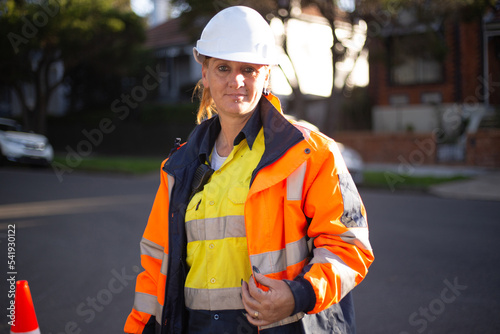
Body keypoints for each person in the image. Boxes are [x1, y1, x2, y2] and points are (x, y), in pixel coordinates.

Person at [124, 6, 373, 334]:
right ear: (205, 74)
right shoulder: (178, 166)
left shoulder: (310, 153)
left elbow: (349, 245)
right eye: (223, 68)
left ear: (267, 73)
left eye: (249, 69)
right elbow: (156, 265)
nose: (235, 81)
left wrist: (299, 294)